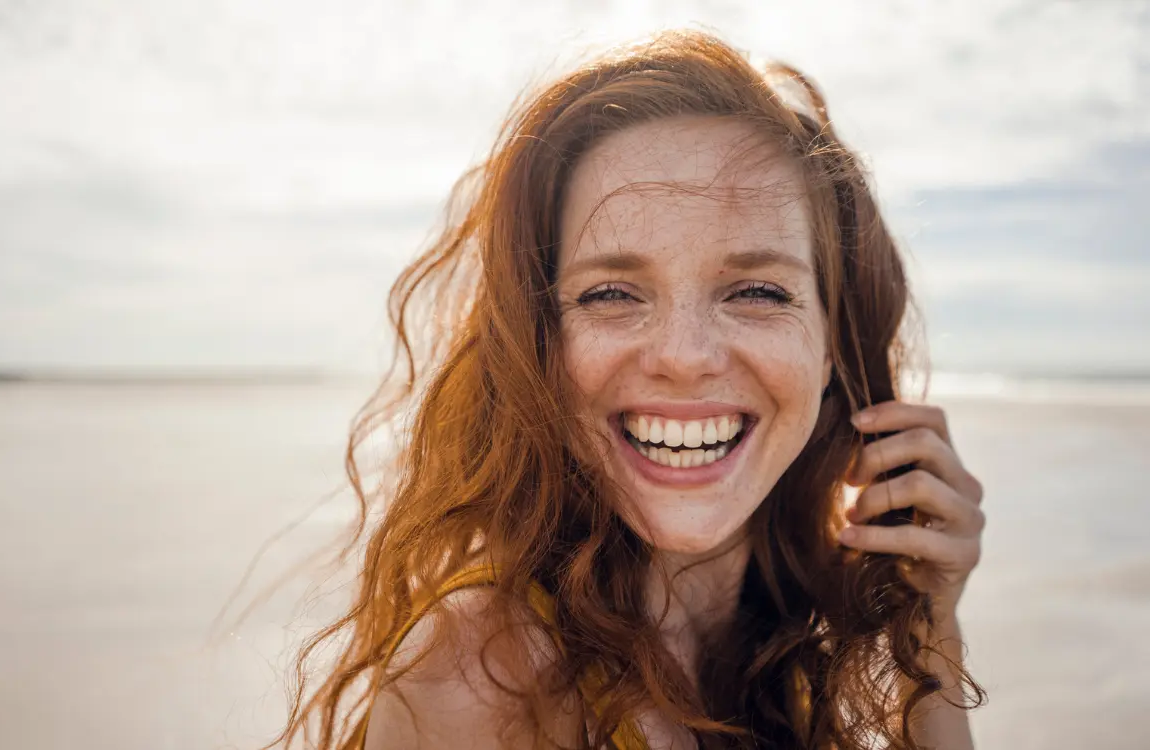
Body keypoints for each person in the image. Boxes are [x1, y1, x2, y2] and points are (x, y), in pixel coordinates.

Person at [270, 29, 986, 750]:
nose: (684, 356)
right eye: (611, 293)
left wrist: (927, 629)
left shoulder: (780, 644)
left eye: (759, 292)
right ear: (538, 345)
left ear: (835, 345)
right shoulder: (486, 673)